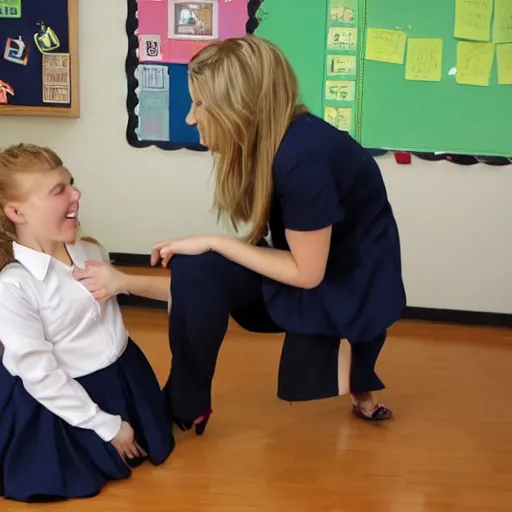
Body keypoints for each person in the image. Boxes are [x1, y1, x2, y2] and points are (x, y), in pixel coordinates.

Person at [74, 35, 406, 435]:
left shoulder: (304, 156)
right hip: (316, 263)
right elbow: (212, 282)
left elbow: (308, 274)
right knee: (197, 268)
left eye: (199, 105)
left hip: (351, 281)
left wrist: (216, 242)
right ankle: (186, 404)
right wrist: (126, 281)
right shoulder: (275, 143)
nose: (190, 119)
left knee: (205, 258)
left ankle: (361, 386)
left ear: (238, 107)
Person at [0, 144, 174, 503]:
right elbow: (41, 375)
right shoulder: (14, 287)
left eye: (71, 183)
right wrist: (107, 426)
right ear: (16, 211)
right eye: (58, 190)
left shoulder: (92, 253)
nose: (76, 194)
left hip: (121, 376)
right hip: (59, 396)